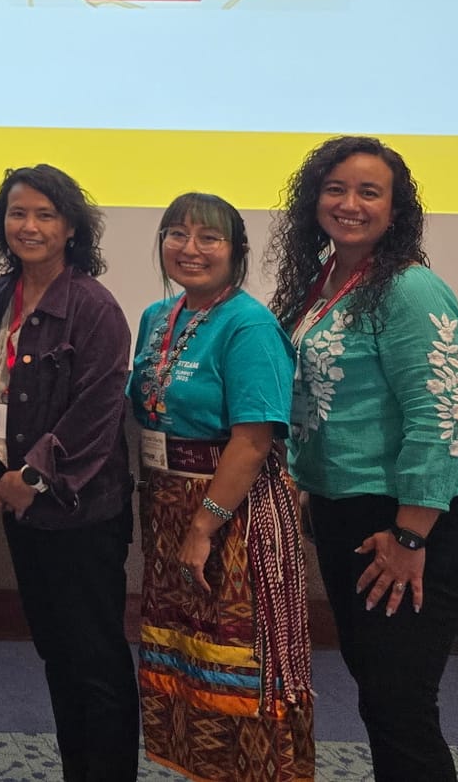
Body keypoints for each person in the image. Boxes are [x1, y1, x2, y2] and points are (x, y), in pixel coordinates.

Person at [268, 137, 458, 782]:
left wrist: (410, 534)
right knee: (379, 693)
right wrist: (307, 480)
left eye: (370, 192)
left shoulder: (410, 289)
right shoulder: (320, 283)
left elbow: (441, 418)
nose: (350, 203)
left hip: (417, 521)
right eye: (335, 189)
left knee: (400, 703)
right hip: (347, 513)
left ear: (395, 211)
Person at [130, 193, 312, 782]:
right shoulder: (158, 317)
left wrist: (204, 525)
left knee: (237, 663)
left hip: (232, 513)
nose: (190, 248)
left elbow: (254, 442)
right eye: (176, 234)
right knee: (184, 657)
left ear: (236, 251)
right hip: (167, 502)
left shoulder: (249, 324)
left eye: (209, 237)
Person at [0, 163, 138, 782]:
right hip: (19, 506)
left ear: (71, 228)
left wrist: (33, 477)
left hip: (80, 511)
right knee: (57, 656)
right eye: (18, 213)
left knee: (95, 660)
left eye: (46, 215)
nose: (30, 226)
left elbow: (97, 411)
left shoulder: (92, 306)